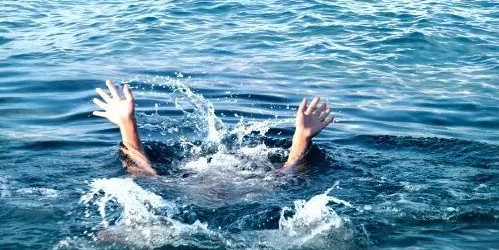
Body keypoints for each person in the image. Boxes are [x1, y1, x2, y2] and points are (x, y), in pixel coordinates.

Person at [91, 80, 335, 176]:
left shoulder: (180, 186)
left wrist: (127, 124)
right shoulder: (256, 186)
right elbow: (289, 171)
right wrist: (301, 137)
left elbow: (143, 172)